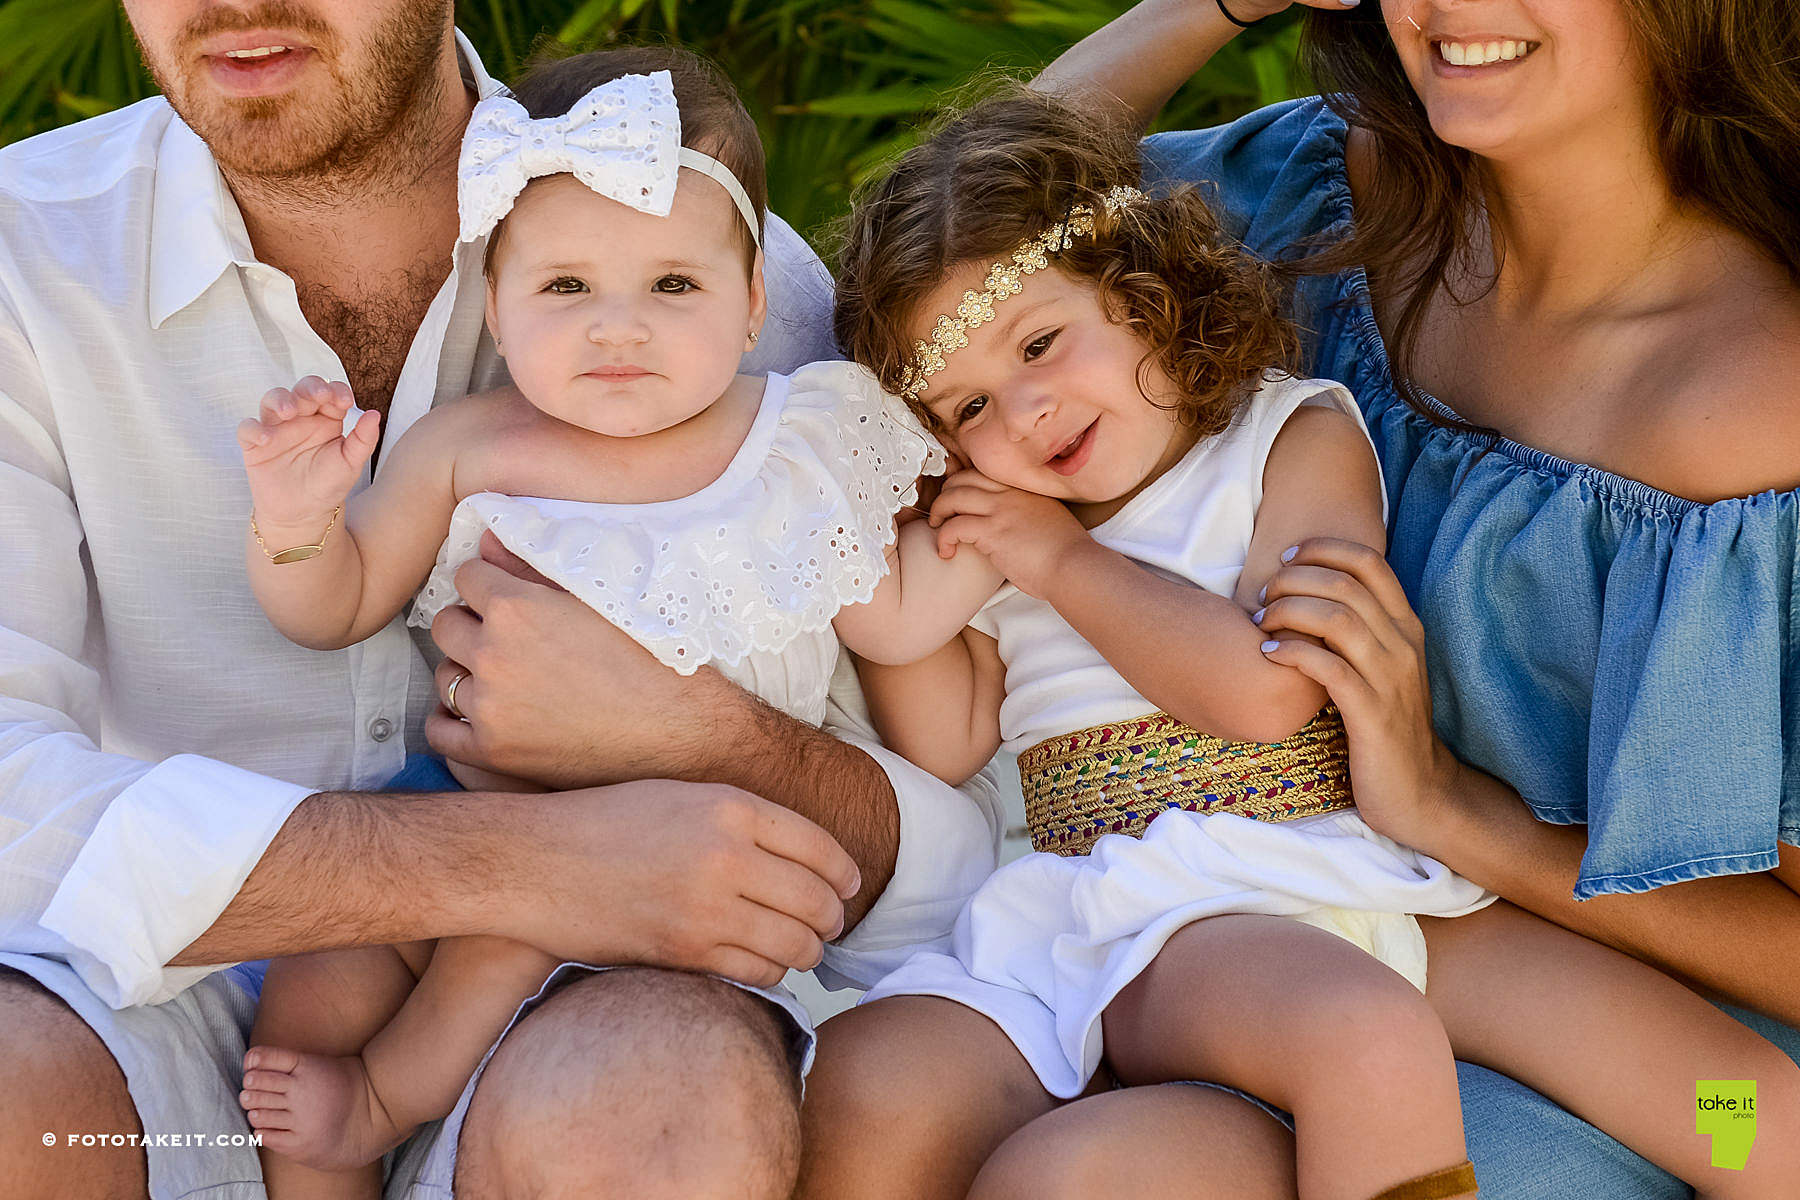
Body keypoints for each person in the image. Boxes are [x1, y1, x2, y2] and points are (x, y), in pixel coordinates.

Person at [798, 2, 1800, 1198]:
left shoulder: (1749, 409)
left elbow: (1267, 690)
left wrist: (1455, 815)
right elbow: (1000, 191)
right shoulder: (1313, 196)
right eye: (968, 405)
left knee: (1753, 1113)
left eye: (1033, 355)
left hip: (1438, 899)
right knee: (1104, 1157)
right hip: (1215, 937)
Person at [0, 4, 1002, 1199]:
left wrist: (704, 738)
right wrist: (510, 859)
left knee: (652, 1104)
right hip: (147, 983)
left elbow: (943, 815)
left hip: (614, 976)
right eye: (567, 284)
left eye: (672, 287)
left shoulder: (757, 296)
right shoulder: (24, 254)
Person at [233, 46, 946, 1200]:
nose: (620, 327)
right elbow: (338, 607)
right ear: (498, 308)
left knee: (493, 954)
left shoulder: (805, 438)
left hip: (708, 843)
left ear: (755, 300)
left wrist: (988, 550)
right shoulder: (468, 446)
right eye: (566, 288)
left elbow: (898, 627)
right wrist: (297, 520)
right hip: (477, 821)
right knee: (323, 965)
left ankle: (383, 1102)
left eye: (674, 286)